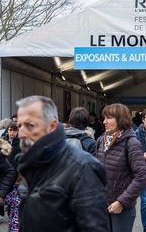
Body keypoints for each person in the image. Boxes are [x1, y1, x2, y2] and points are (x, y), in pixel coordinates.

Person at [15, 95, 108, 231]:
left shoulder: (83, 167)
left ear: (52, 126)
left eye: (30, 125)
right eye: (19, 125)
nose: (21, 133)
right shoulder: (32, 163)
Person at [96, 103, 146, 232]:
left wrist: (121, 202)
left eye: (109, 118)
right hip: (102, 205)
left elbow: (141, 177)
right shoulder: (101, 140)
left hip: (122, 208)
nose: (104, 122)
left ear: (121, 119)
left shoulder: (131, 143)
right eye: (104, 118)